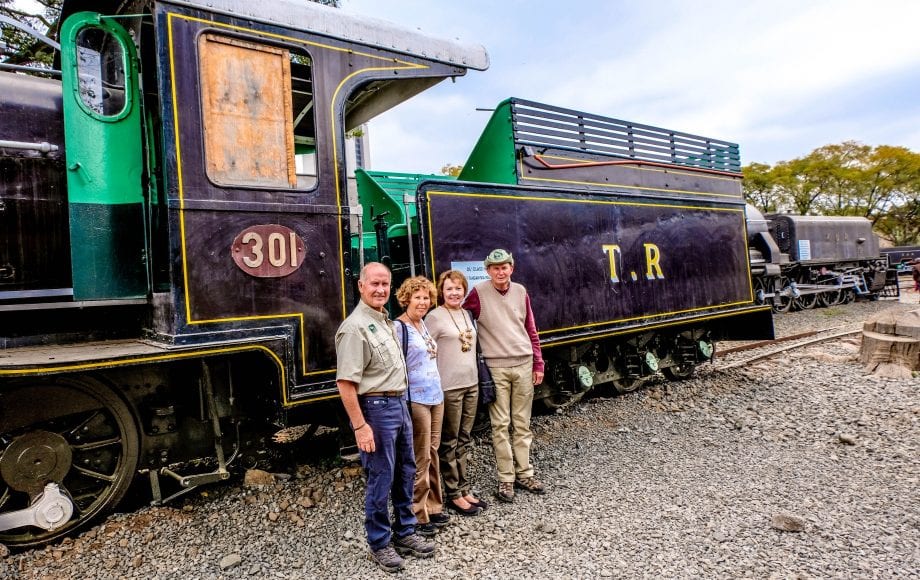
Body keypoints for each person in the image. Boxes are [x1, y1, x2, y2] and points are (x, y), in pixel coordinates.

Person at [335, 263, 434, 573]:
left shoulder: (385, 322)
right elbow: (345, 383)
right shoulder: (355, 327)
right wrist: (360, 425)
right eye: (374, 283)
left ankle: (405, 531)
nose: (380, 289)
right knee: (381, 476)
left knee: (406, 470)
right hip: (376, 409)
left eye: (385, 284)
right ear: (361, 286)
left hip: (399, 404)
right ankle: (379, 542)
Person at [463, 249, 546, 503]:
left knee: (522, 423)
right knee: (500, 425)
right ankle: (506, 479)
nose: (500, 271)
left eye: (504, 267)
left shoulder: (521, 291)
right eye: (495, 267)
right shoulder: (478, 293)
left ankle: (525, 473)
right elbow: (462, 317)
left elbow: (530, 328)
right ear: (488, 270)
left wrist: (538, 362)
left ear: (512, 268)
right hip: (496, 367)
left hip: (523, 363)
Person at [425, 270, 487, 516]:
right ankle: (453, 493)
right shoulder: (434, 317)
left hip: (471, 383)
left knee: (464, 438)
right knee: (449, 441)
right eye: (449, 289)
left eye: (459, 288)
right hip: (448, 387)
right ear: (442, 291)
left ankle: (464, 488)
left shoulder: (466, 314)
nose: (454, 293)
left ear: (464, 290)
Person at [394, 276, 450, 537]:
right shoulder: (399, 327)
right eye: (417, 297)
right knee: (421, 456)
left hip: (435, 396)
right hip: (415, 398)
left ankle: (434, 505)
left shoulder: (423, 324)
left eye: (426, 297)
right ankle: (416, 512)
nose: (423, 302)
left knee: (434, 452)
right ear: (406, 299)